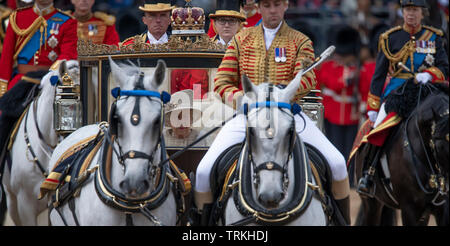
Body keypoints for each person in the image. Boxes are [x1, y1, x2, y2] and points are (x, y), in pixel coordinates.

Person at [194, 0, 350, 225]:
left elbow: (308, 77)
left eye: (277, 4)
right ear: (259, 7)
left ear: (285, 6)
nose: (272, 10)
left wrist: (286, 92)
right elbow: (221, 81)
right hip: (249, 115)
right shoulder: (241, 39)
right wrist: (242, 99)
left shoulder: (300, 41)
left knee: (337, 164)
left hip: (288, 113)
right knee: (203, 171)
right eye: (267, 5)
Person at [356, 0, 449, 197]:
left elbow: (444, 67)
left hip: (428, 90)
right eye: (407, 10)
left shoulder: (434, 37)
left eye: (414, 10)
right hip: (398, 93)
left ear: (421, 12)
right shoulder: (390, 38)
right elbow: (378, 75)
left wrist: (430, 74)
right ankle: (369, 173)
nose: (411, 14)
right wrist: (373, 107)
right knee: (378, 127)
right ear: (402, 11)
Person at [0, 0, 78, 96]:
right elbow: (6, 57)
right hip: (20, 82)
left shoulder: (68, 21)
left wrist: (52, 73)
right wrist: (3, 87)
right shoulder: (17, 17)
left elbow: (68, 54)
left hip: (50, 81)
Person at [316, 25, 361, 163]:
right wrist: (346, 81)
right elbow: (332, 84)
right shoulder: (329, 66)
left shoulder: (357, 67)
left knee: (350, 149)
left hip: (352, 113)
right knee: (335, 147)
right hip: (332, 113)